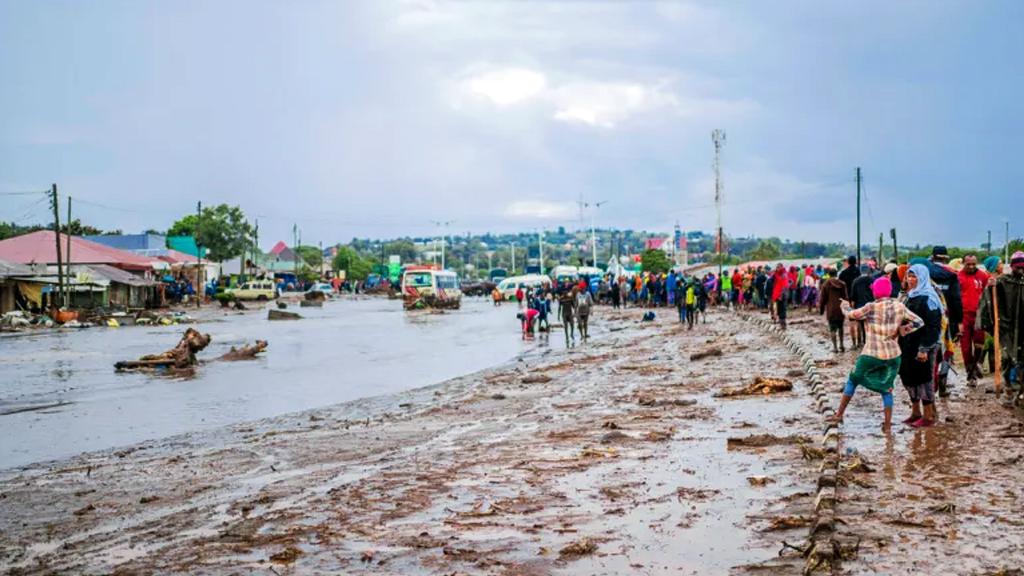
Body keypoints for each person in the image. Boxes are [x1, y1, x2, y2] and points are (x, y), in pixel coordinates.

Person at [830, 277, 924, 431]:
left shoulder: (871, 307)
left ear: (875, 291)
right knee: (887, 388)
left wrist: (844, 306)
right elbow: (919, 322)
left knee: (853, 380)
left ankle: (839, 414)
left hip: (871, 354)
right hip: (893, 356)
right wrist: (904, 330)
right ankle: (887, 425)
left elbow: (851, 315)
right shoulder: (899, 306)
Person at [898, 264, 945, 427]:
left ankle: (928, 415)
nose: (910, 280)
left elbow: (933, 327)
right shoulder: (910, 296)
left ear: (922, 277)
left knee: (924, 378)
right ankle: (915, 412)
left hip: (924, 345)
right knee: (909, 377)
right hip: (908, 343)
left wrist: (924, 348)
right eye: (908, 276)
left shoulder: (929, 298)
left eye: (913, 276)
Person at [981, 251, 1024, 404]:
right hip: (1007, 327)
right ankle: (1009, 390)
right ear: (1012, 267)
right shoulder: (1003, 281)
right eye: (1018, 267)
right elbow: (989, 300)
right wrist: (991, 286)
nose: (1021, 270)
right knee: (1007, 358)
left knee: (1022, 359)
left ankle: (1020, 390)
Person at [958, 254, 990, 384]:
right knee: (965, 348)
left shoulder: (983, 276)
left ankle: (975, 366)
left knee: (979, 344)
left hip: (978, 316)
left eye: (973, 264)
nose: (971, 266)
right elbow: (954, 299)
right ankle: (969, 373)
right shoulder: (958, 277)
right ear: (963, 263)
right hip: (963, 316)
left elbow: (988, 292)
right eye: (968, 264)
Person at [819, 268, 849, 353]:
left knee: (832, 329)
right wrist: (847, 309)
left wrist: (821, 310)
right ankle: (842, 345)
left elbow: (823, 299)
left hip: (831, 310)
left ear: (829, 274)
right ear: (837, 274)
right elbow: (845, 297)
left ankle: (835, 347)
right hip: (840, 309)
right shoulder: (842, 284)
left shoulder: (826, 284)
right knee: (840, 327)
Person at [849, 265, 876, 349]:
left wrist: (853, 309)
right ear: (868, 271)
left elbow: (853, 297)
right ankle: (869, 342)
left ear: (860, 271)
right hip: (871, 306)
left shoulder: (855, 281)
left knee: (859, 325)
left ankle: (860, 342)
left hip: (859, 306)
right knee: (870, 326)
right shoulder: (872, 280)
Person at [771, 264, 790, 329]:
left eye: (778, 267)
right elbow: (772, 281)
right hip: (778, 294)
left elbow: (784, 285)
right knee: (779, 309)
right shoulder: (777, 275)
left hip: (782, 294)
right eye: (777, 267)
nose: (777, 269)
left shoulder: (783, 275)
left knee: (782, 309)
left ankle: (783, 324)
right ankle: (781, 323)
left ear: (781, 267)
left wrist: (781, 295)